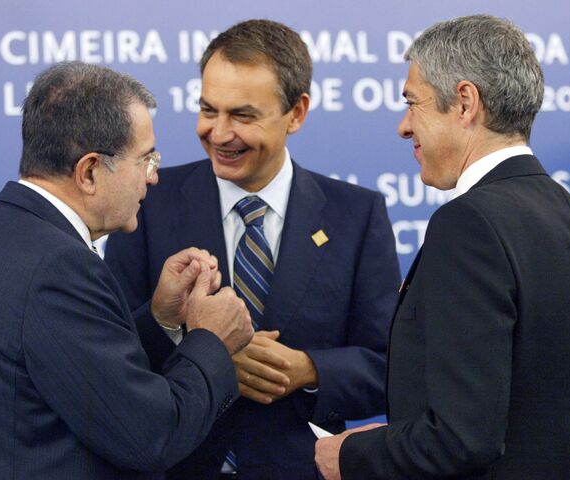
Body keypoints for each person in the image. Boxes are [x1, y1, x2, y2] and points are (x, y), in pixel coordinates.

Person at [315, 15, 570, 479]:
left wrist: (353, 455)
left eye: (412, 102)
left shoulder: (468, 224)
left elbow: (461, 439)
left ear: (464, 102)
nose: (403, 127)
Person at [105, 19, 400, 480]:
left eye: (243, 116)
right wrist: (203, 350)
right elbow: (109, 354)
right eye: (208, 110)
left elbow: (390, 367)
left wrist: (308, 370)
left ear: (296, 113)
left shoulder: (356, 216)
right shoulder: (145, 204)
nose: (220, 133)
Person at [0, 62, 254, 480]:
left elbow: (81, 376)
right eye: (146, 160)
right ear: (89, 171)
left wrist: (160, 319)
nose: (153, 178)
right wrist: (211, 340)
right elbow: (151, 436)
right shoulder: (58, 267)